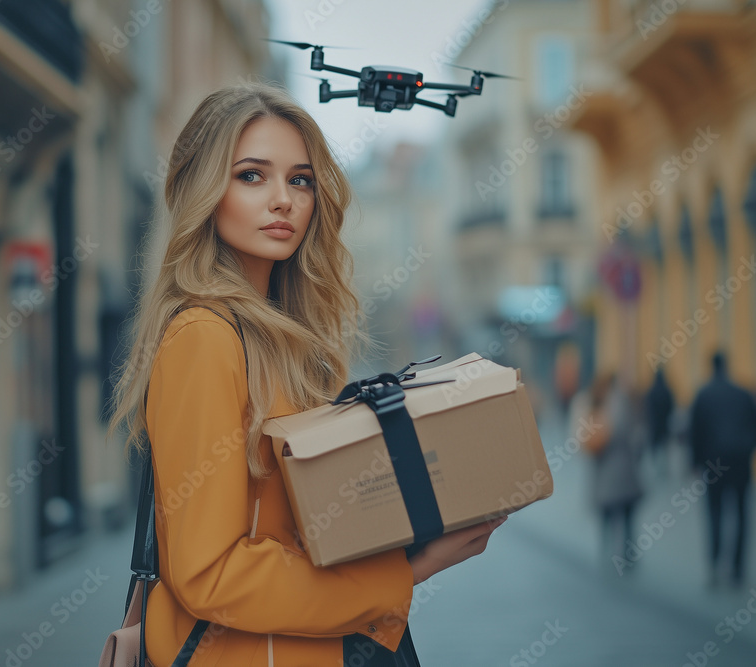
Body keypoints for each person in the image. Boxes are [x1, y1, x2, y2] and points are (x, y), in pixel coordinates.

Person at [107, 82, 506, 666]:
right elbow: (209, 573)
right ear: (204, 192)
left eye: (300, 179)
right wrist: (406, 571)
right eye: (251, 176)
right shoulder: (204, 337)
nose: (283, 200)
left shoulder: (279, 341)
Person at [688, 351, 756, 587]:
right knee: (741, 515)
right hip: (739, 461)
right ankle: (738, 568)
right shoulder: (742, 393)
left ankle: (715, 565)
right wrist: (747, 449)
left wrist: (695, 463)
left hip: (714, 463)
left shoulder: (704, 394)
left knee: (714, 514)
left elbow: (695, 432)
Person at [584, 372, 643, 572]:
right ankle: (625, 555)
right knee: (624, 515)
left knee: (611, 514)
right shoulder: (620, 401)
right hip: (621, 470)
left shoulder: (606, 402)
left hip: (611, 471)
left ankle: (610, 553)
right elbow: (630, 433)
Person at [645, 368, 674, 477]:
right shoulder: (667, 391)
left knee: (655, 448)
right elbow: (671, 407)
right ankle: (665, 469)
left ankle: (656, 469)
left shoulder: (651, 391)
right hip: (664, 424)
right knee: (665, 447)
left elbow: (647, 408)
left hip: (654, 424)